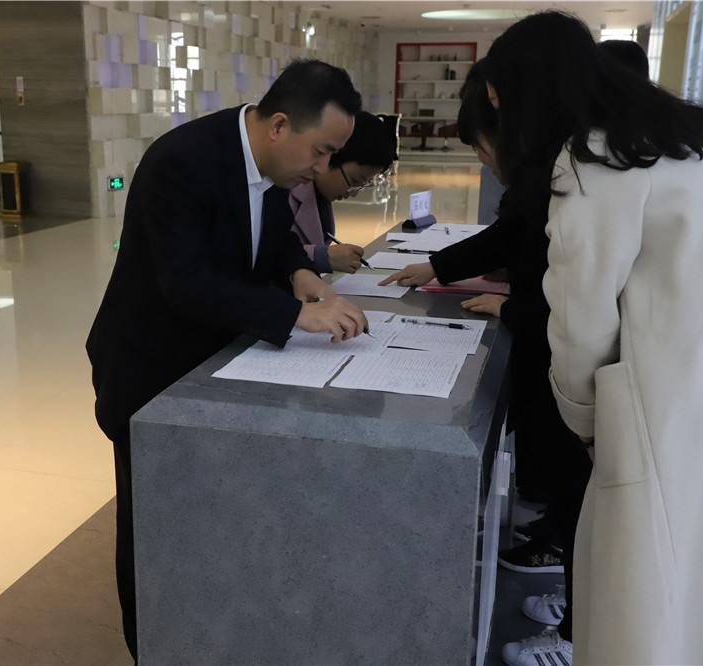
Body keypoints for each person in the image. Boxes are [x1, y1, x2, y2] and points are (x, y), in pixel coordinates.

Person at [484, 11, 703, 665]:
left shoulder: (594, 159)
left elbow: (579, 326)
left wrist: (589, 429)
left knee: (640, 595)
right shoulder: (689, 141)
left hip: (655, 410)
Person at [86, 59, 369, 663]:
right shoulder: (182, 161)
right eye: (321, 151)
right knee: (153, 532)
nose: (322, 169)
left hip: (211, 361)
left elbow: (272, 232)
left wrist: (300, 275)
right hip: (151, 371)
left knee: (211, 520)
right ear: (280, 125)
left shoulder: (271, 163)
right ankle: (151, 648)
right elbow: (186, 282)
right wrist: (296, 317)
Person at [379, 60, 590, 666]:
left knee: (579, 504)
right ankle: (577, 609)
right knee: (572, 504)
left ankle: (576, 638)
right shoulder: (549, 171)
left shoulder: (576, 177)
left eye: (481, 143)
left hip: (577, 374)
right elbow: (511, 237)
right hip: (561, 367)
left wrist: (514, 306)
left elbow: (581, 292)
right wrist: (437, 266)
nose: (481, 159)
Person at [288, 110, 397, 273]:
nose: (353, 193)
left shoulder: (319, 194)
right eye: (354, 180)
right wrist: (319, 257)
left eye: (362, 185)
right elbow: (263, 254)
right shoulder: (282, 188)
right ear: (329, 156)